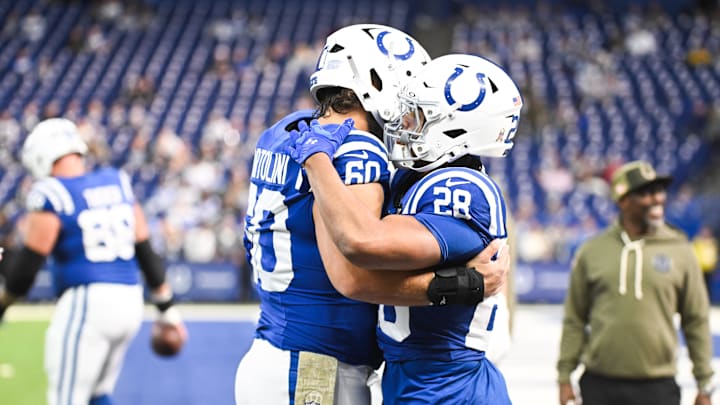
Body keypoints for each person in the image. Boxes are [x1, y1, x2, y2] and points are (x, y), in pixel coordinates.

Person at [235, 26, 509, 405]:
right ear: (379, 84)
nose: (409, 109)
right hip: (317, 366)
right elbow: (353, 272)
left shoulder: (284, 131)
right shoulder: (357, 147)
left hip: (272, 350)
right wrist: (463, 284)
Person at [0, 118, 185, 405]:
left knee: (66, 399)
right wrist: (167, 310)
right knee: (99, 393)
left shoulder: (52, 192)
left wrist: (3, 303)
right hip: (129, 299)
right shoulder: (116, 180)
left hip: (89, 303)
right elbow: (145, 249)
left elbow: (27, 267)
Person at [557, 160, 715, 405]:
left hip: (658, 386)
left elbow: (696, 320)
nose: (656, 199)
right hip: (599, 385)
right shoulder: (593, 250)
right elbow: (575, 318)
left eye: (659, 191)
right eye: (645, 192)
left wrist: (704, 384)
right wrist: (564, 375)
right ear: (622, 200)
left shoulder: (680, 249)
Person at [692, 225, 718, 302]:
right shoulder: (697, 242)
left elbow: (714, 255)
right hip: (700, 268)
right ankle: (699, 301)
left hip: (710, 269)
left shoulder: (713, 243)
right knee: (700, 287)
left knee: (708, 287)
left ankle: (708, 301)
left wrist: (714, 266)